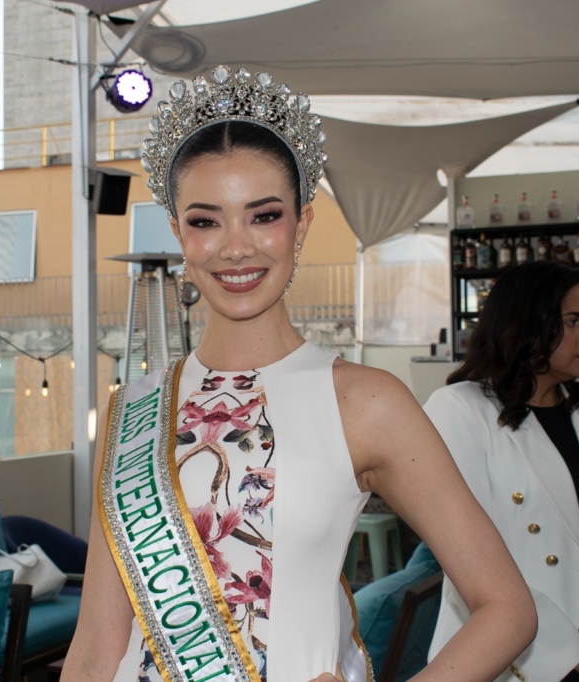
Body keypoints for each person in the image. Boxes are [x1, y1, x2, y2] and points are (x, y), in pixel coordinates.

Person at [62, 65, 537, 682]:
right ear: (180, 233)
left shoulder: (364, 401)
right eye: (206, 221)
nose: (236, 247)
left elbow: (506, 608)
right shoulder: (132, 409)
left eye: (263, 216)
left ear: (302, 224)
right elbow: (98, 645)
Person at [425, 261, 579, 682]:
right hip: (520, 658)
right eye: (572, 321)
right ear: (525, 325)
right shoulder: (460, 410)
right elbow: (470, 566)